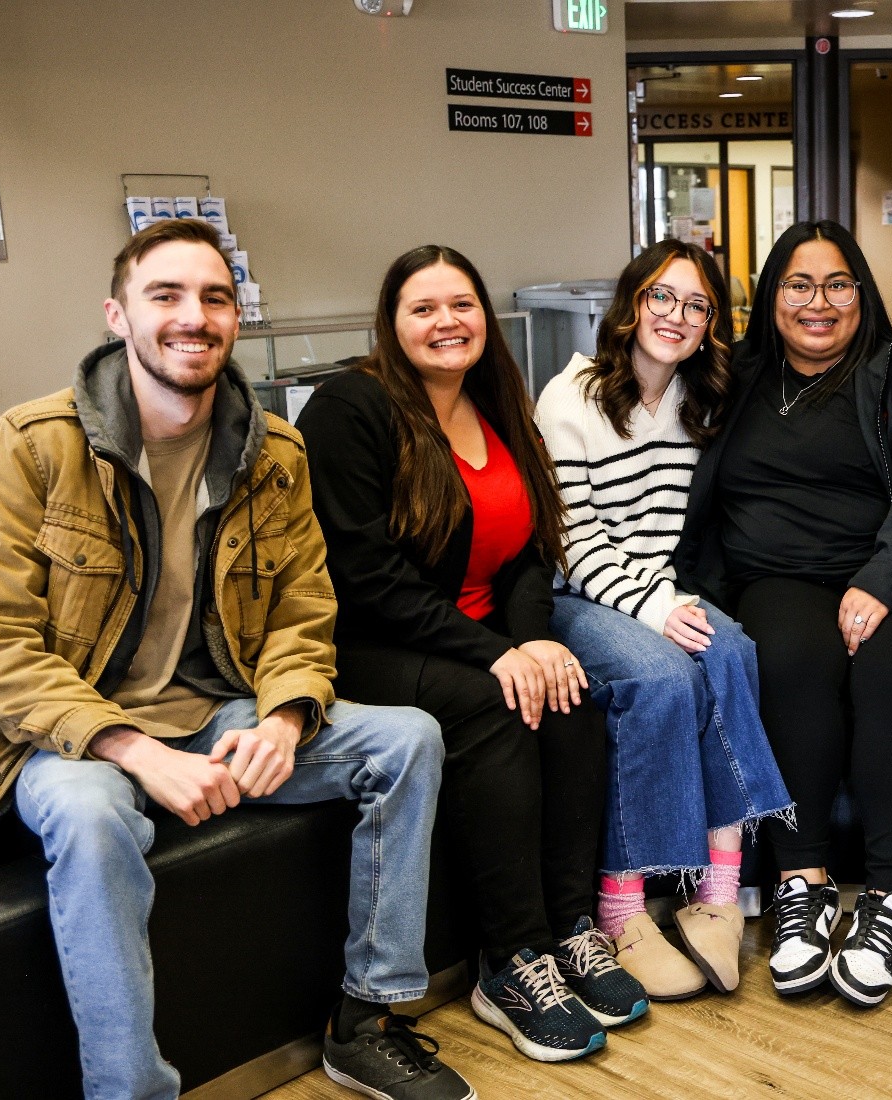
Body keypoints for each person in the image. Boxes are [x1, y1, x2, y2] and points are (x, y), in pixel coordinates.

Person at [0, 218, 472, 1100]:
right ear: (118, 315)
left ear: (236, 317)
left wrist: (289, 716)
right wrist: (133, 749)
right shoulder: (36, 444)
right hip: (65, 737)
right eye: (166, 296)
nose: (194, 316)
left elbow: (303, 613)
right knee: (95, 817)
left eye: (215, 297)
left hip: (213, 710)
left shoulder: (274, 452)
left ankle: (367, 1018)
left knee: (407, 740)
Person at [297, 244, 644, 1064]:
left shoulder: (496, 403)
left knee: (572, 695)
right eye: (424, 308)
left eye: (462, 305)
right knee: (497, 706)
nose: (447, 322)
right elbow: (365, 576)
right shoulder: (351, 407)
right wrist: (497, 657)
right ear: (392, 322)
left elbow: (529, 550)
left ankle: (567, 930)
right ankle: (511, 963)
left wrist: (529, 641)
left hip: (481, 639)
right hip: (374, 643)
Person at [675, 220, 892, 1007]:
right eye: (798, 285)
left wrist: (881, 579)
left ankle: (890, 899)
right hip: (773, 578)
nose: (819, 303)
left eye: (837, 284)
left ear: (862, 292)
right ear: (771, 296)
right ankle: (799, 887)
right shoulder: (731, 378)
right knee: (788, 658)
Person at [535, 239, 793, 1001]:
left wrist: (664, 599)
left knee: (735, 651)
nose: (676, 316)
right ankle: (622, 909)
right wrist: (654, 608)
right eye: (661, 297)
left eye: (697, 304)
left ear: (712, 322)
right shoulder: (570, 397)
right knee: (661, 678)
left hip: (656, 585)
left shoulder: (696, 398)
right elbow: (571, 541)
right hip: (576, 595)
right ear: (631, 303)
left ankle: (717, 892)